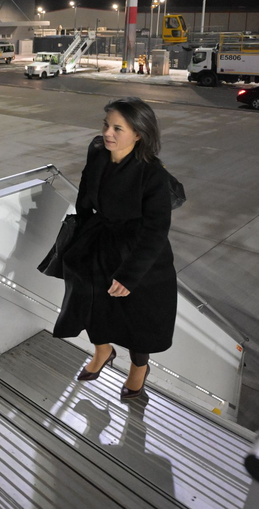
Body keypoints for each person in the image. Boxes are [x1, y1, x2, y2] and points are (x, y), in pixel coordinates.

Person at [52, 97, 177, 400]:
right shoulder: (98, 152)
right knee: (90, 303)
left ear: (139, 134)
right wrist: (82, 230)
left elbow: (156, 230)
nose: (108, 133)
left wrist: (130, 275)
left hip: (137, 253)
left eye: (118, 128)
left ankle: (139, 369)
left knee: (138, 318)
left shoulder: (153, 175)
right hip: (100, 240)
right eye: (106, 125)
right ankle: (103, 351)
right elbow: (85, 192)